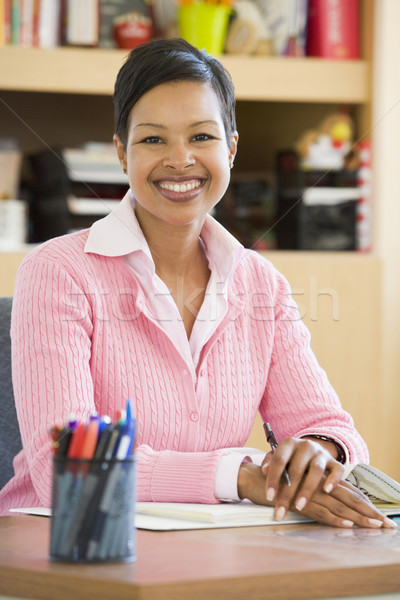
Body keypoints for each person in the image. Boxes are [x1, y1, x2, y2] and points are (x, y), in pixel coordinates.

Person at [0, 39, 395, 529]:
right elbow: (66, 469)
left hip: (208, 548)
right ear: (122, 153)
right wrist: (239, 476)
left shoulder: (260, 283)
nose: (180, 159)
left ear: (230, 147)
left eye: (202, 137)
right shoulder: (57, 272)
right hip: (62, 547)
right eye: (152, 140)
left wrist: (313, 455)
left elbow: (332, 428)